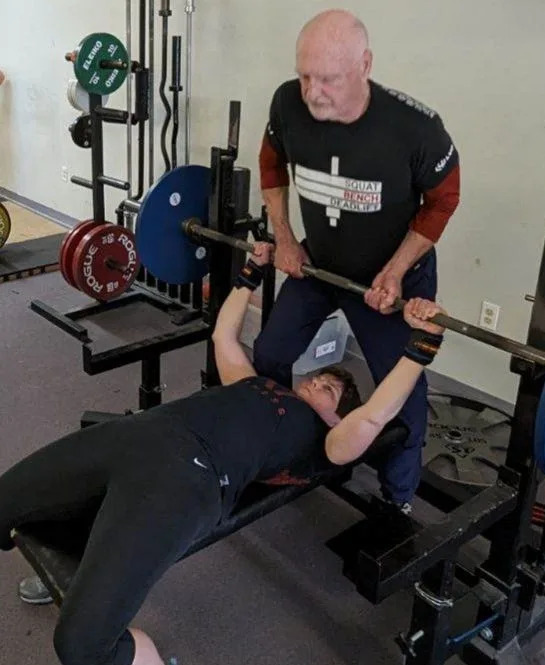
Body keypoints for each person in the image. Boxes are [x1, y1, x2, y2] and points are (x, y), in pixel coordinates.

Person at [0, 241, 447, 665]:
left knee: (82, 646)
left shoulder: (326, 442)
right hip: (135, 434)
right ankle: (76, 576)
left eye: (330, 389)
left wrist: (421, 346)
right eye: (317, 377)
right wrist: (251, 271)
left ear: (336, 417)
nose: (314, 382)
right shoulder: (255, 384)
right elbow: (224, 338)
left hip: (186, 477)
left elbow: (371, 416)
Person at [255, 9, 460, 514]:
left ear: (364, 65)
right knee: (269, 354)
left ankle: (397, 501)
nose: (313, 92)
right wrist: (284, 236)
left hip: (390, 281)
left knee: (404, 396)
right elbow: (269, 163)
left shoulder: (415, 127)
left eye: (328, 79)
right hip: (319, 263)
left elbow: (444, 199)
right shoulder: (287, 102)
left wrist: (395, 270)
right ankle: (280, 449)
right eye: (305, 76)